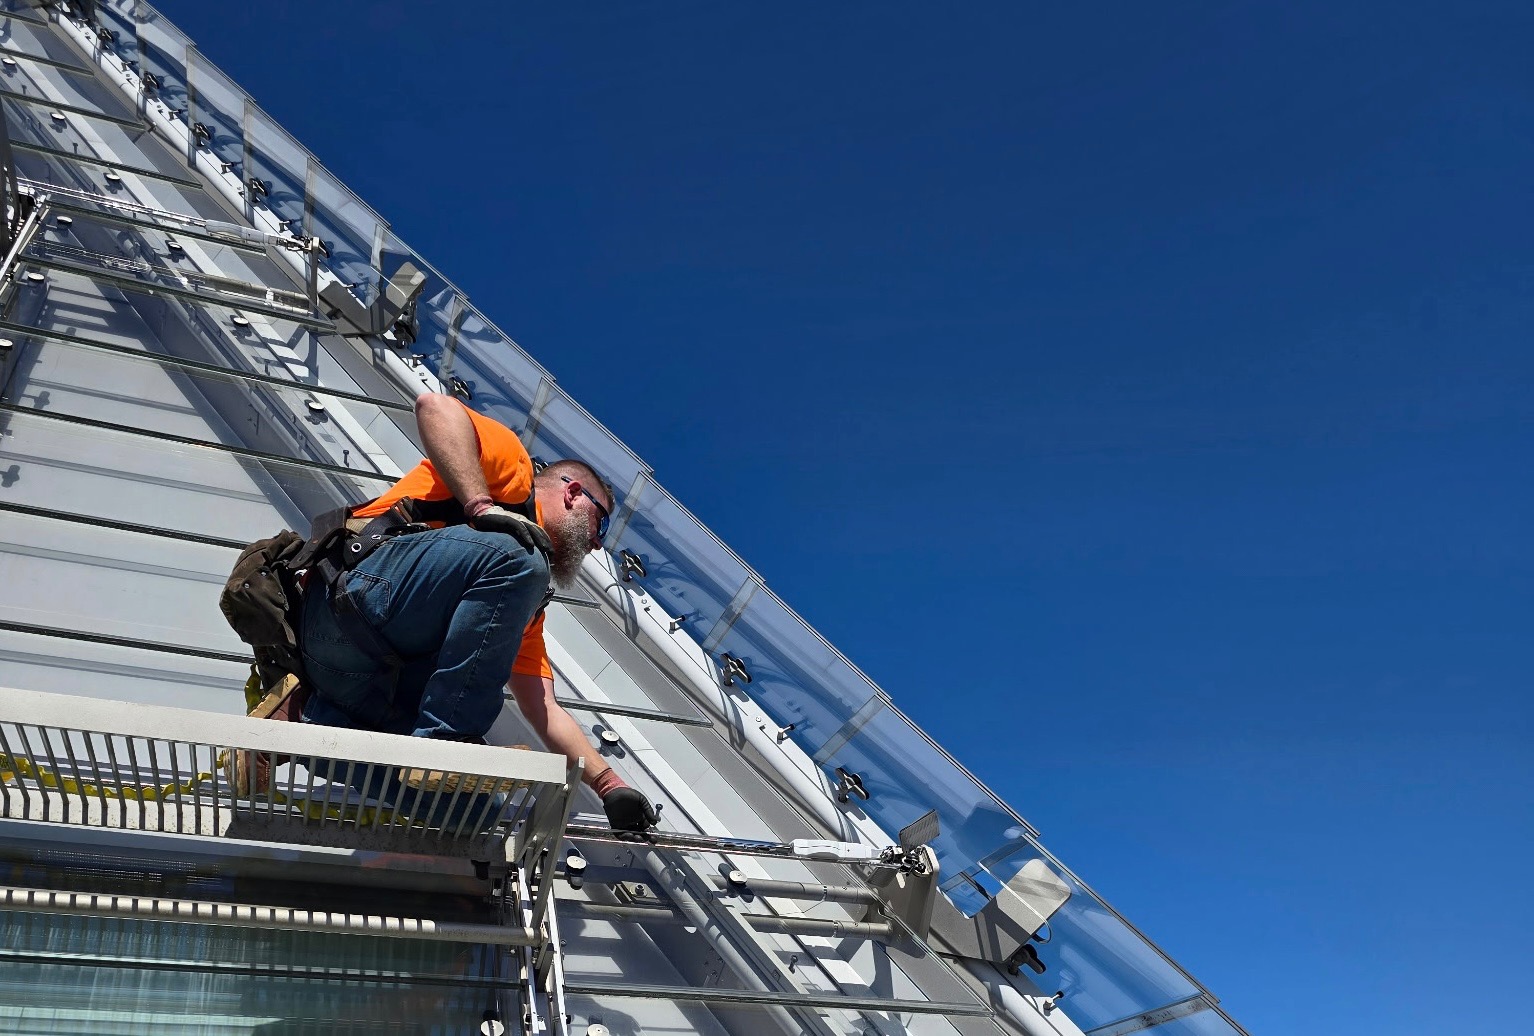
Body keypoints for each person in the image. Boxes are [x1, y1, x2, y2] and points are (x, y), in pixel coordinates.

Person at [297, 391, 658, 832]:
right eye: (600, 523)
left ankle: (305, 725)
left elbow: (543, 707)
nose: (596, 544)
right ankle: (445, 742)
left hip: (350, 678)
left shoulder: (518, 606)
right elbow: (434, 406)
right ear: (573, 492)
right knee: (521, 558)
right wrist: (481, 506)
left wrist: (609, 785)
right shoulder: (515, 476)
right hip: (349, 593)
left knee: (473, 812)